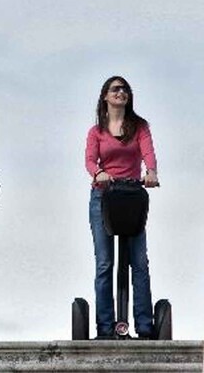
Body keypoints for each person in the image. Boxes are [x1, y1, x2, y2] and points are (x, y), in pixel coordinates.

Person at [85, 75, 159, 339]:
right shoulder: (97, 132)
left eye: (125, 89)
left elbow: (148, 152)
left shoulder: (139, 127)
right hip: (103, 198)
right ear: (105, 96)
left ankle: (145, 327)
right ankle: (105, 328)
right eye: (116, 89)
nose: (121, 92)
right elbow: (90, 161)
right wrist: (99, 172)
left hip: (131, 197)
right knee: (105, 263)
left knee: (139, 263)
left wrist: (151, 171)